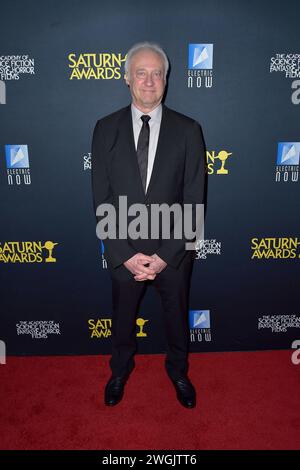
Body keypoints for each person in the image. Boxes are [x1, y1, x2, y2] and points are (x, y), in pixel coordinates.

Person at [91, 42, 206, 408]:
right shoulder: (105, 128)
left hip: (172, 254)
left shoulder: (188, 130)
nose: (149, 81)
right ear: (127, 79)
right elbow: (101, 199)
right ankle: (120, 370)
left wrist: (165, 256)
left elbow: (194, 199)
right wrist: (124, 254)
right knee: (122, 321)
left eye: (157, 73)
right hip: (124, 251)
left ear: (167, 79)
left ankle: (178, 371)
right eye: (141, 72)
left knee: (176, 320)